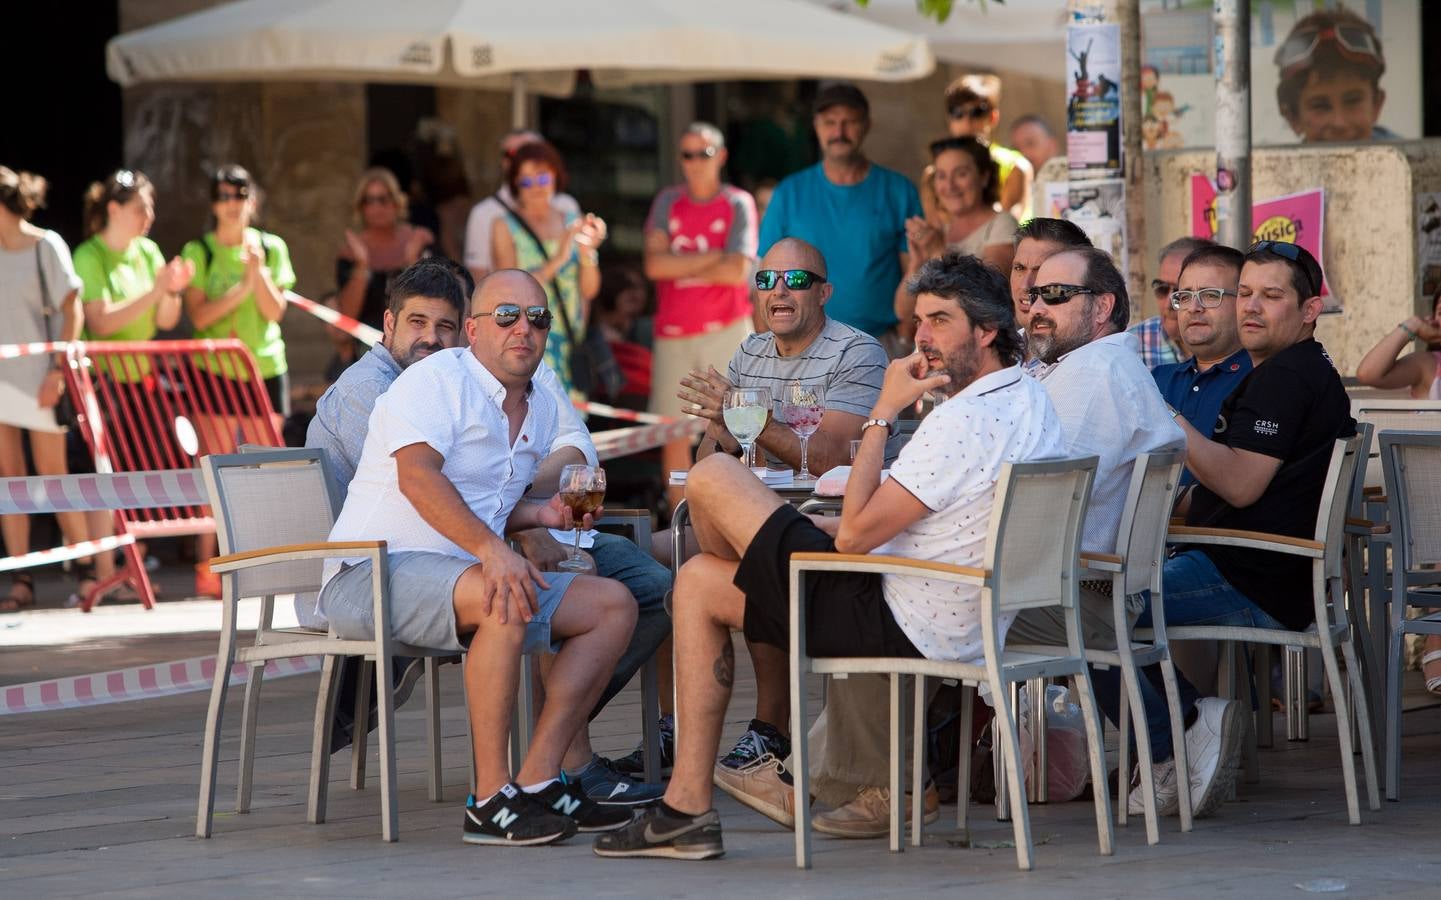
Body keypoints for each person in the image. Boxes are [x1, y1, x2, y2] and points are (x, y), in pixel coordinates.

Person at [592, 252, 1065, 859]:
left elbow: (852, 538)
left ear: (988, 331)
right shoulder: (1027, 399)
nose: (922, 338)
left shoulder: (962, 420)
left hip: (902, 616)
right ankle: (685, 809)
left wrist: (882, 413)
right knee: (699, 583)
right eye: (919, 320)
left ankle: (715, 782)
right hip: (961, 608)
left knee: (711, 477)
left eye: (941, 321)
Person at [308, 258, 671, 805]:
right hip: (372, 570)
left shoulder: (541, 405)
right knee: (505, 589)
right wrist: (493, 551)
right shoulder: (434, 380)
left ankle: (543, 775)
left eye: (537, 317)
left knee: (613, 605)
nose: (523, 328)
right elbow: (417, 478)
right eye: (506, 315)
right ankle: (490, 798)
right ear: (473, 329)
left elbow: (495, 501)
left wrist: (541, 516)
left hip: (458, 574)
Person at [608, 237, 890, 783]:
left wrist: (747, 414)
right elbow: (712, 459)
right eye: (766, 281)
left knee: (739, 561)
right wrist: (721, 427)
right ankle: (674, 727)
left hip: (825, 526)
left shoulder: (857, 352)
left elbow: (828, 456)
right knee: (645, 561)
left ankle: (771, 727)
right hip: (748, 518)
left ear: (825, 292)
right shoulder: (750, 351)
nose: (778, 291)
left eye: (795, 280)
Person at [1100, 242, 1355, 820]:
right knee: (1097, 597)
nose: (1251, 308)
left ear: (1310, 309)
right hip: (1252, 562)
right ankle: (1179, 735)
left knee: (1090, 608)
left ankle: (1182, 733)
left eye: (1271, 296)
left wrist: (1161, 415)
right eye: (1245, 294)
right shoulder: (1293, 371)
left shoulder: (1284, 379)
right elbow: (1237, 489)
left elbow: (1239, 486)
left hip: (1249, 574)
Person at [72, 169, 193, 603]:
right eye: (141, 207)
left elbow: (164, 321)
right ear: (114, 209)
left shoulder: (148, 252)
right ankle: (105, 572)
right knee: (105, 477)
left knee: (138, 474)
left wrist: (172, 292)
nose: (150, 216)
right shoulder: (89, 254)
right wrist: (157, 289)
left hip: (141, 381)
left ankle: (129, 569)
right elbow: (101, 321)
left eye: (151, 207)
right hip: (103, 381)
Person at [644, 122, 758, 513]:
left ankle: (734, 514)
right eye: (687, 154)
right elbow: (654, 265)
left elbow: (736, 271)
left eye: (703, 154)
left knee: (738, 424)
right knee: (673, 431)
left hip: (727, 327)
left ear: (721, 157)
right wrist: (715, 256)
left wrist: (679, 261)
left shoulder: (738, 202)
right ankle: (680, 523)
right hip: (674, 331)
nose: (694, 162)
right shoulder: (666, 202)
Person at [758, 83, 921, 352]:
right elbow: (763, 279)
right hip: (804, 344)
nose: (839, 132)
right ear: (816, 126)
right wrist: (767, 354)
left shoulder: (899, 191)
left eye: (849, 122)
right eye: (830, 122)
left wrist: (904, 340)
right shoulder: (790, 193)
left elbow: (915, 273)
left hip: (879, 344)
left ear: (867, 125)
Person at [0, 167, 87, 611]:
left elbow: (74, 311)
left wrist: (57, 370)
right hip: (2, 381)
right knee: (9, 482)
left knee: (54, 479)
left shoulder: (46, 245)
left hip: (41, 379)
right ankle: (20, 580)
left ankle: (89, 573)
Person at [1356, 290, 1441, 694]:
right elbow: (1370, 373)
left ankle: (1435, 629)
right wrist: (1409, 327)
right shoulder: (1429, 366)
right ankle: (1436, 630)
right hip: (1430, 509)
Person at [490, 140, 607, 398]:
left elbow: (589, 290)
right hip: (525, 338)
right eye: (526, 181)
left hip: (568, 340)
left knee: (569, 429)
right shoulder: (503, 226)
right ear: (515, 185)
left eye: (542, 178)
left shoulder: (570, 220)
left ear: (555, 176)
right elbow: (508, 291)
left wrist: (589, 252)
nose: (536, 188)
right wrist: (561, 257)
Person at [1151, 245, 1252, 486]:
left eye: (1210, 295)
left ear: (1244, 302)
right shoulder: (1156, 379)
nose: (1194, 308)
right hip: (1147, 521)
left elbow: (1241, 488)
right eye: (1184, 296)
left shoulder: (1263, 378)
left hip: (1214, 524)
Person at [463, 130, 581, 284]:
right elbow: (479, 278)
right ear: (504, 161)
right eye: (513, 153)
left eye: (533, 150)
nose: (526, 158)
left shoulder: (567, 206)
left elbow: (583, 284)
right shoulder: (485, 214)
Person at [903, 137, 1018, 294]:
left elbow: (989, 293)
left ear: (984, 177)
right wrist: (916, 264)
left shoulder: (1002, 224)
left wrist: (938, 252)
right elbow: (902, 310)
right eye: (942, 176)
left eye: (961, 174)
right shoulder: (941, 230)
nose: (950, 185)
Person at [335, 167, 434, 333]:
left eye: (382, 199)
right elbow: (347, 317)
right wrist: (362, 265)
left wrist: (412, 261)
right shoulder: (351, 254)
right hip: (367, 345)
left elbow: (435, 301)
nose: (376, 207)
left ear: (396, 202)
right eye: (368, 200)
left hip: (418, 339)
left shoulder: (419, 240)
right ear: (360, 207)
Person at [1275, 7, 1394, 143]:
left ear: (1376, 106)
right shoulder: (1274, 164)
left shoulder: (1411, 161)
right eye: (1320, 106)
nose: (1339, 123)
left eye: (1353, 101)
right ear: (1293, 117)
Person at [943, 74, 1034, 221]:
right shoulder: (934, 174)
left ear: (993, 117)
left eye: (977, 112)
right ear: (949, 119)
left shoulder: (1015, 166)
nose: (967, 121)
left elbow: (1006, 228)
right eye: (957, 112)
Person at [1008, 217, 1092, 369]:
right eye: (1019, 268)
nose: (1026, 285)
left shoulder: (1093, 364)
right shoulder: (997, 353)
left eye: (1041, 270)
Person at [1128, 237, 1213, 368]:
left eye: (1181, 293)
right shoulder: (1131, 346)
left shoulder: (1240, 344)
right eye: (1161, 288)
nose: (1169, 303)